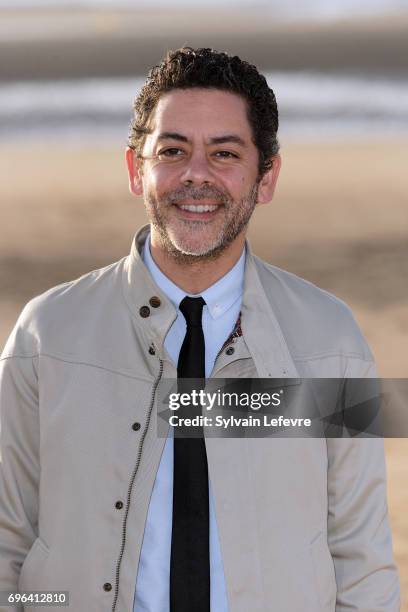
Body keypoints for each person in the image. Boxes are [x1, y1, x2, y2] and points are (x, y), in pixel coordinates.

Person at [0, 47, 400, 612]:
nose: (196, 174)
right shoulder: (45, 334)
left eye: (225, 153)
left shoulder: (334, 338)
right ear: (137, 170)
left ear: (266, 178)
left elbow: (361, 557)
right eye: (173, 150)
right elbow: (7, 538)